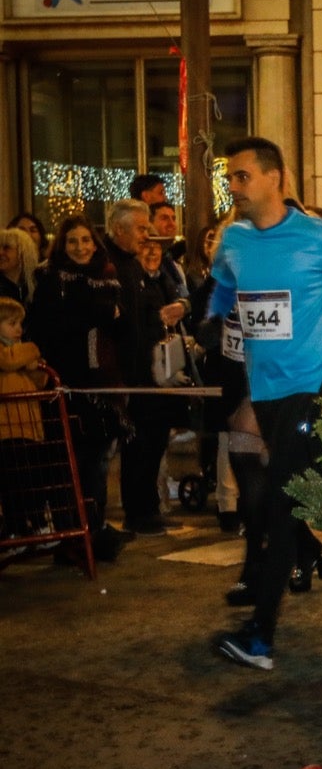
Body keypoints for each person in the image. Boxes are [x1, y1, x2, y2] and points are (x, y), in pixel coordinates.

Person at [209, 136, 322, 671]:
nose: (235, 187)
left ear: (277, 178)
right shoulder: (234, 241)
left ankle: (261, 636)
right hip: (267, 392)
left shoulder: (321, 236)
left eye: (243, 175)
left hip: (312, 391)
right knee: (297, 501)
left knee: (276, 506)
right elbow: (234, 302)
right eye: (230, 178)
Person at [28, 216, 126, 562]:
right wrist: (98, 313)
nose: (81, 248)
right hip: (68, 385)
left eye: (86, 240)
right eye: (73, 241)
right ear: (62, 245)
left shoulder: (108, 277)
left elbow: (118, 328)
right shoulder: (52, 281)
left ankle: (94, 531)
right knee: (70, 466)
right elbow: (50, 327)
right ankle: (73, 536)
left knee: (98, 464)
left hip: (103, 386)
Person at [103, 200, 189, 535]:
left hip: (152, 371)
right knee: (137, 445)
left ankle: (147, 507)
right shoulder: (114, 266)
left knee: (152, 442)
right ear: (120, 229)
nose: (146, 235)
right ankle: (137, 510)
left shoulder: (134, 266)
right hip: (132, 373)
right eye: (141, 228)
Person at [0, 296, 52, 537]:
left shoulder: (21, 354)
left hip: (29, 426)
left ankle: (36, 523)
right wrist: (33, 349)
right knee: (14, 483)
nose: (19, 329)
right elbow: (8, 361)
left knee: (33, 480)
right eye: (12, 324)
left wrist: (36, 366)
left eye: (20, 324)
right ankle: (17, 528)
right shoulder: (13, 353)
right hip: (7, 429)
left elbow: (41, 381)